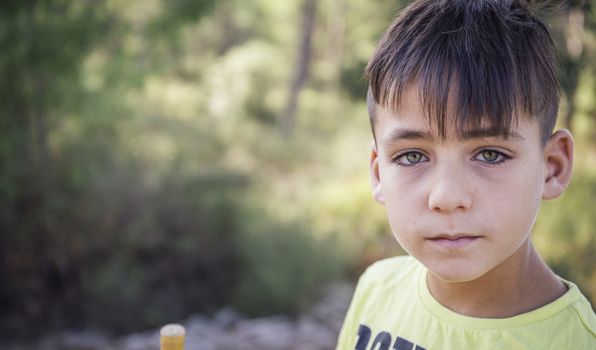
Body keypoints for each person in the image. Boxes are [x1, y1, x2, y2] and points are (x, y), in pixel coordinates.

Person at [335, 0, 596, 349]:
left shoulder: (575, 341)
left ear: (552, 167)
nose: (446, 197)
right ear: (379, 171)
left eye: (490, 154)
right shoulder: (376, 290)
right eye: (412, 156)